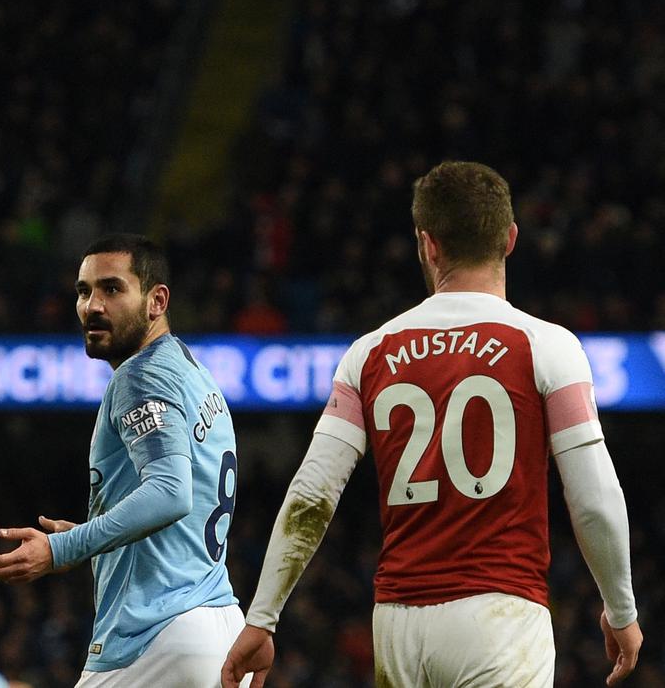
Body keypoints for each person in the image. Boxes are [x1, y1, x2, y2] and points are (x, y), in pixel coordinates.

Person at [222, 161, 642, 688]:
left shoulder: (369, 352)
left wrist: (262, 617)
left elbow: (311, 495)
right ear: (510, 239)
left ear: (428, 244)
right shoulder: (547, 346)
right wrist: (620, 610)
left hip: (399, 622)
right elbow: (594, 498)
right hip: (500, 615)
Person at [0, 233, 249, 687]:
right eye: (84, 291)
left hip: (156, 633)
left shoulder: (139, 377)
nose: (92, 305)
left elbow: (169, 493)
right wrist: (87, 536)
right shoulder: (190, 371)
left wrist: (62, 547)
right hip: (217, 620)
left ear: (157, 300)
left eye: (112, 289)